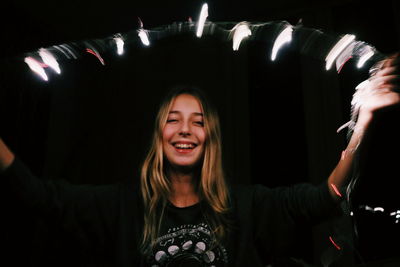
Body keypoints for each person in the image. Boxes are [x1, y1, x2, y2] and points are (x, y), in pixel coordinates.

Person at [0, 54, 399, 267]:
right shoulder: (122, 207)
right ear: (160, 136)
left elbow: (327, 196)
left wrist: (362, 123)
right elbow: (37, 196)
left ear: (210, 139)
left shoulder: (246, 207)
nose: (185, 130)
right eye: (173, 120)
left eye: (198, 121)